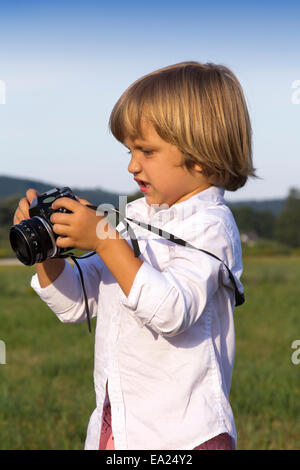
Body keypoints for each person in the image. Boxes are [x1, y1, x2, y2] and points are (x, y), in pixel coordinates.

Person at [14, 61, 257, 450]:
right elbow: (74, 303)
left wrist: (107, 240)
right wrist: (49, 247)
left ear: (200, 154)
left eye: (146, 151)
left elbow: (171, 311)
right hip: (120, 428)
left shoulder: (212, 226)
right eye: (129, 150)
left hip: (182, 435)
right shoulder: (136, 217)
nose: (132, 165)